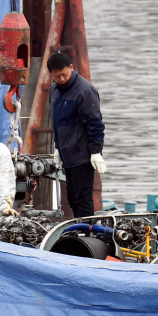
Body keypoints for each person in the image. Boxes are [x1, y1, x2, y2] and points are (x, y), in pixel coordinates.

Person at [47, 52, 106, 218]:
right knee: (72, 197)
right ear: (51, 74)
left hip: (82, 155)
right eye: (57, 76)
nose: (62, 79)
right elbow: (57, 123)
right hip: (67, 154)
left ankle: (87, 233)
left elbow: (95, 125)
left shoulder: (85, 91)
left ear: (71, 68)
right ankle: (79, 228)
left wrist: (96, 152)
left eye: (64, 74)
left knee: (83, 198)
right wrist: (57, 148)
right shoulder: (54, 91)